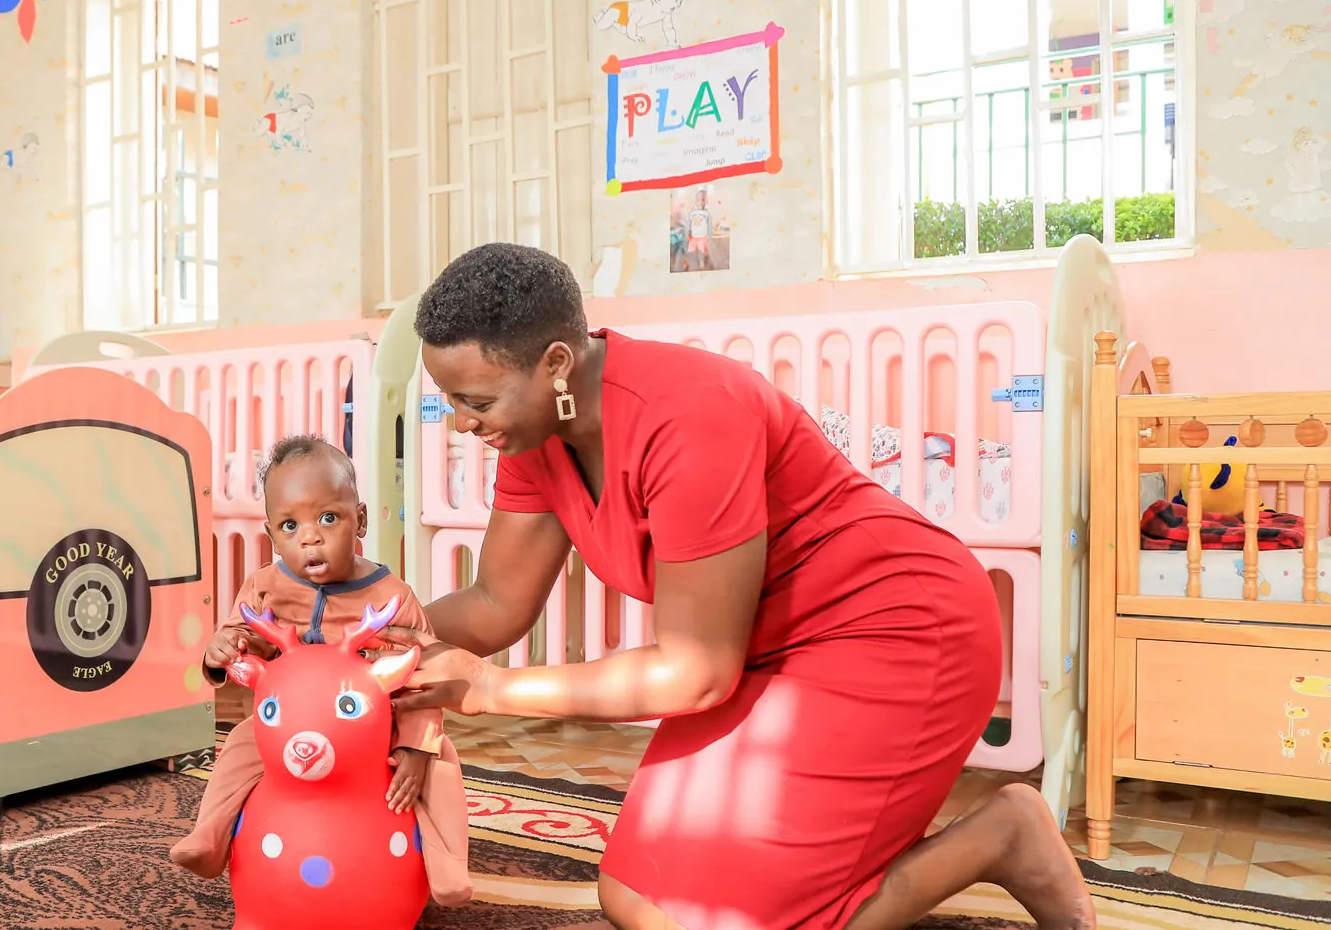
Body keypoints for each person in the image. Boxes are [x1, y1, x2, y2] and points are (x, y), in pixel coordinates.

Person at [379, 243, 1094, 930]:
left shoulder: (688, 414)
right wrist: (356, 637)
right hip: (764, 654)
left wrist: (492, 689)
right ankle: (839, 852)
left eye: (475, 400)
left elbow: (694, 674)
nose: (463, 424)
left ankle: (1003, 837)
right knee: (632, 893)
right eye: (450, 402)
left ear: (555, 363)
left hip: (896, 628)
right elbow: (494, 604)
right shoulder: (537, 434)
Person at [170, 436, 473, 909]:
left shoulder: (392, 598)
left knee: (442, 768)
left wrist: (415, 748)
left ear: (361, 520)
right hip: (287, 730)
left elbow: (427, 679)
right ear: (272, 535)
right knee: (237, 746)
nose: (309, 537)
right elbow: (234, 641)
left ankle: (448, 864)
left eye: (327, 518)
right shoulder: (264, 589)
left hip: (379, 730)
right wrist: (218, 652)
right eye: (291, 525)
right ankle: (209, 835)